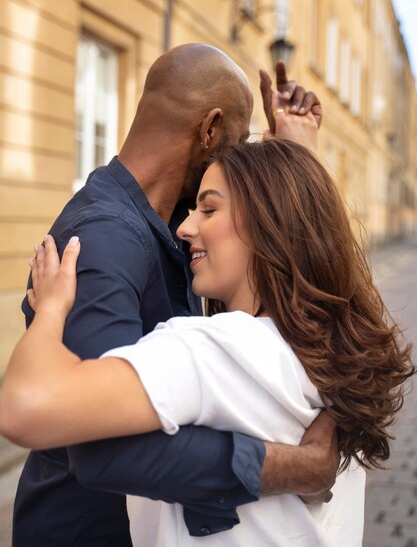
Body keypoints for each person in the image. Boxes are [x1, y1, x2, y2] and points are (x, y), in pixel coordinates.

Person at [1, 135, 413, 546]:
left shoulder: (216, 350)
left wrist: (51, 312)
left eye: (209, 208)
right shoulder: (334, 354)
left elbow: (23, 408)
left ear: (271, 222)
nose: (185, 227)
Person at [7, 43, 338, 547]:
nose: (236, 158)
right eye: (235, 143)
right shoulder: (105, 238)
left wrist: (287, 165)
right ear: (208, 130)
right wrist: (298, 468)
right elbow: (105, 450)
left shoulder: (170, 226)